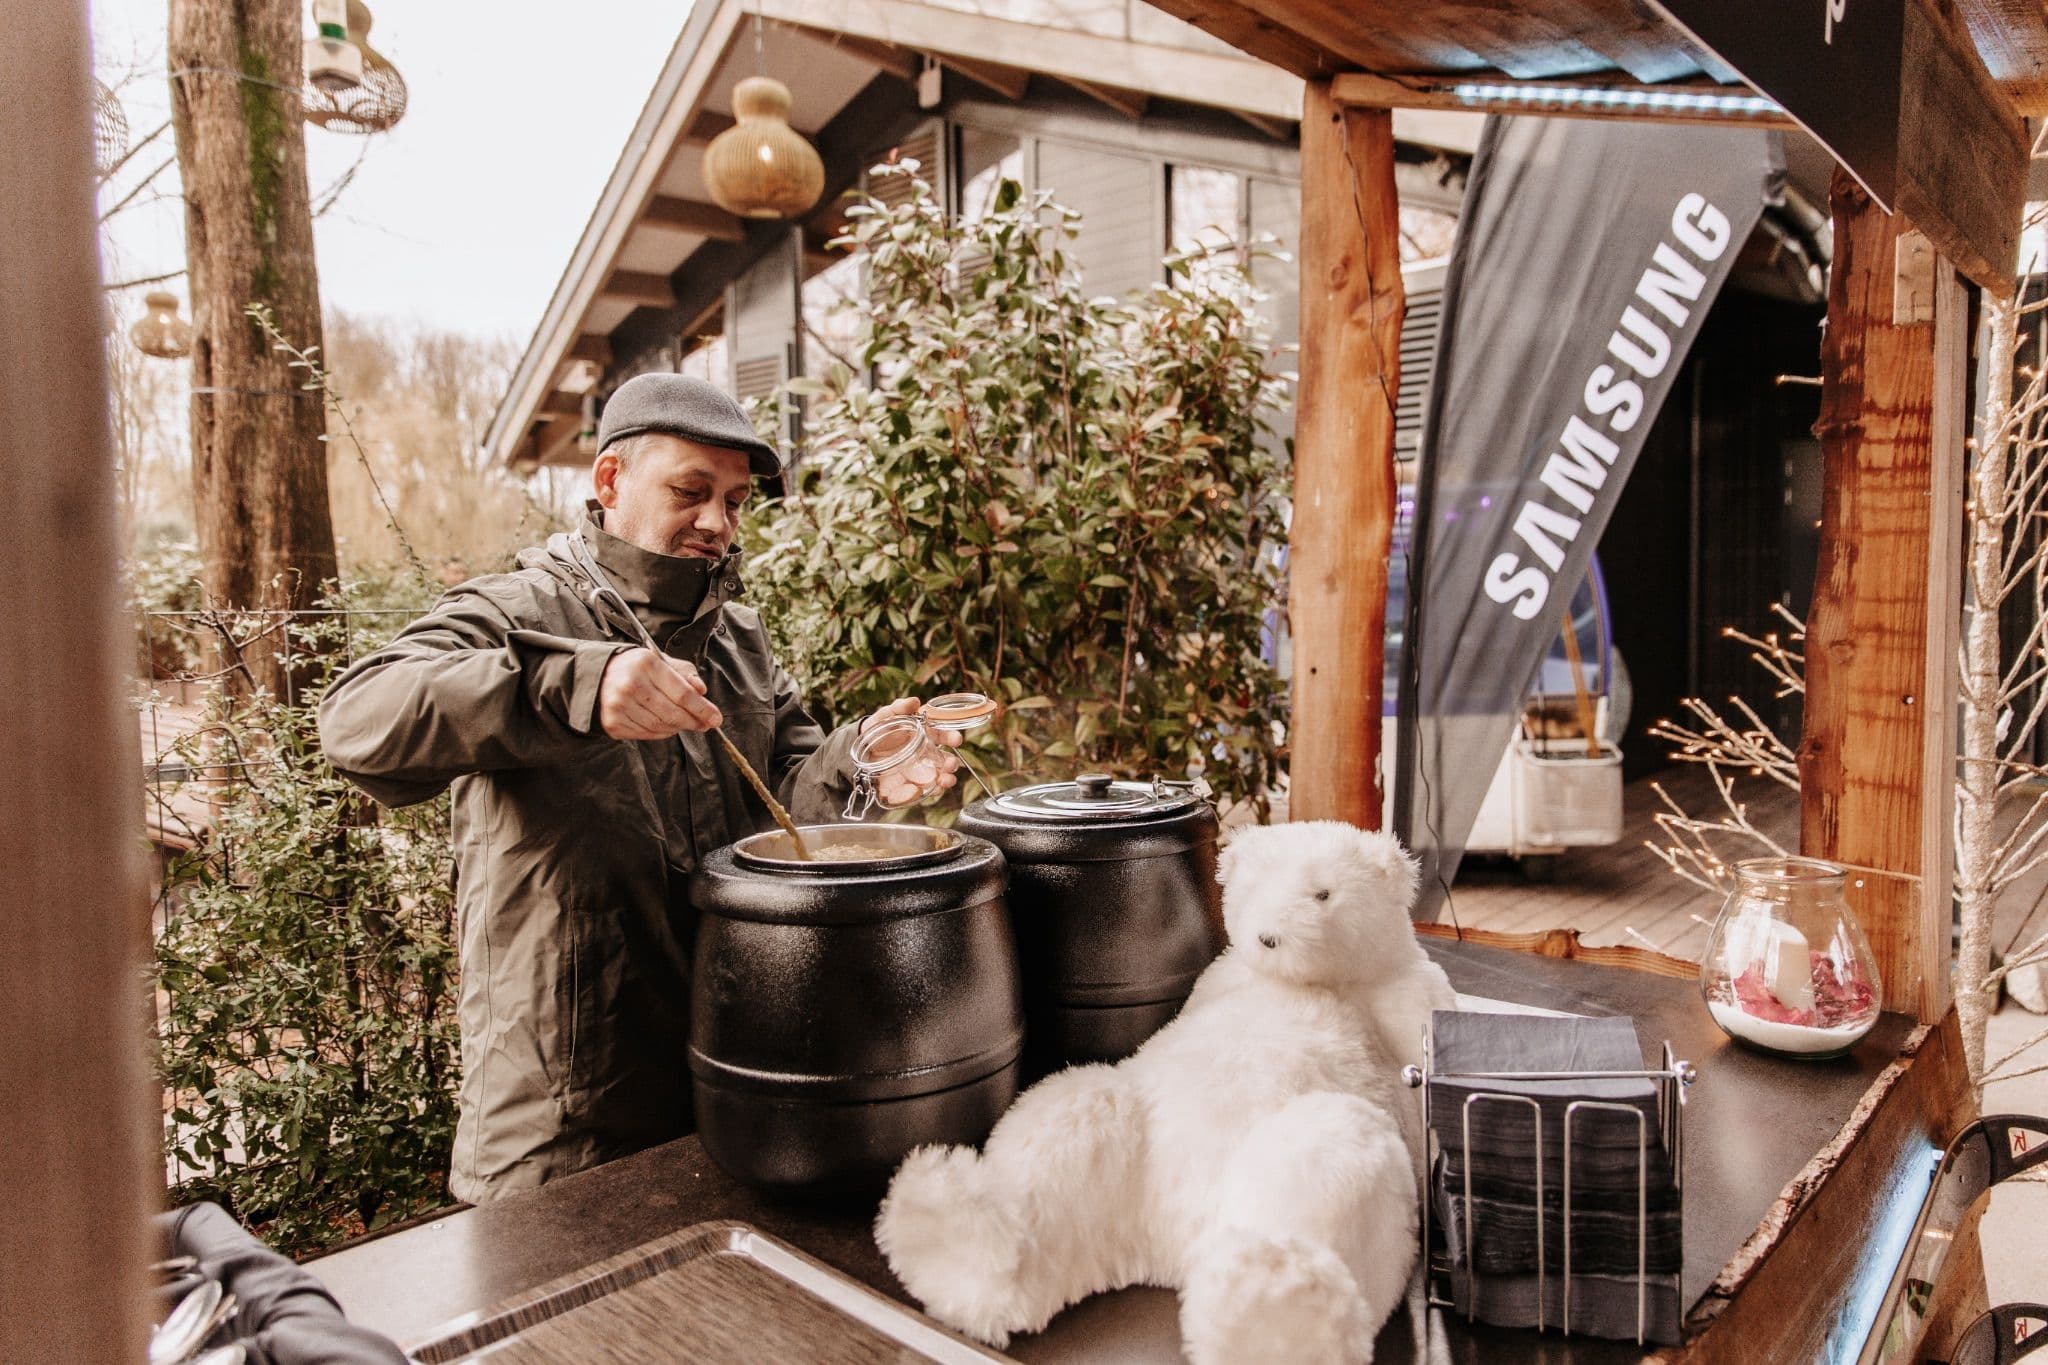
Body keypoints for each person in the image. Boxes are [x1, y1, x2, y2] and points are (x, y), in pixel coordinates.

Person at [317, 373, 960, 1203]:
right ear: (611, 481)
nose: (717, 522)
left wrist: (861, 761)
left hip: (731, 1081)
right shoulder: (516, 611)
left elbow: (790, 805)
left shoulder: (738, 642)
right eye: (691, 491)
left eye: (734, 501)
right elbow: (355, 722)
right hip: (562, 1124)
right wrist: (575, 686)